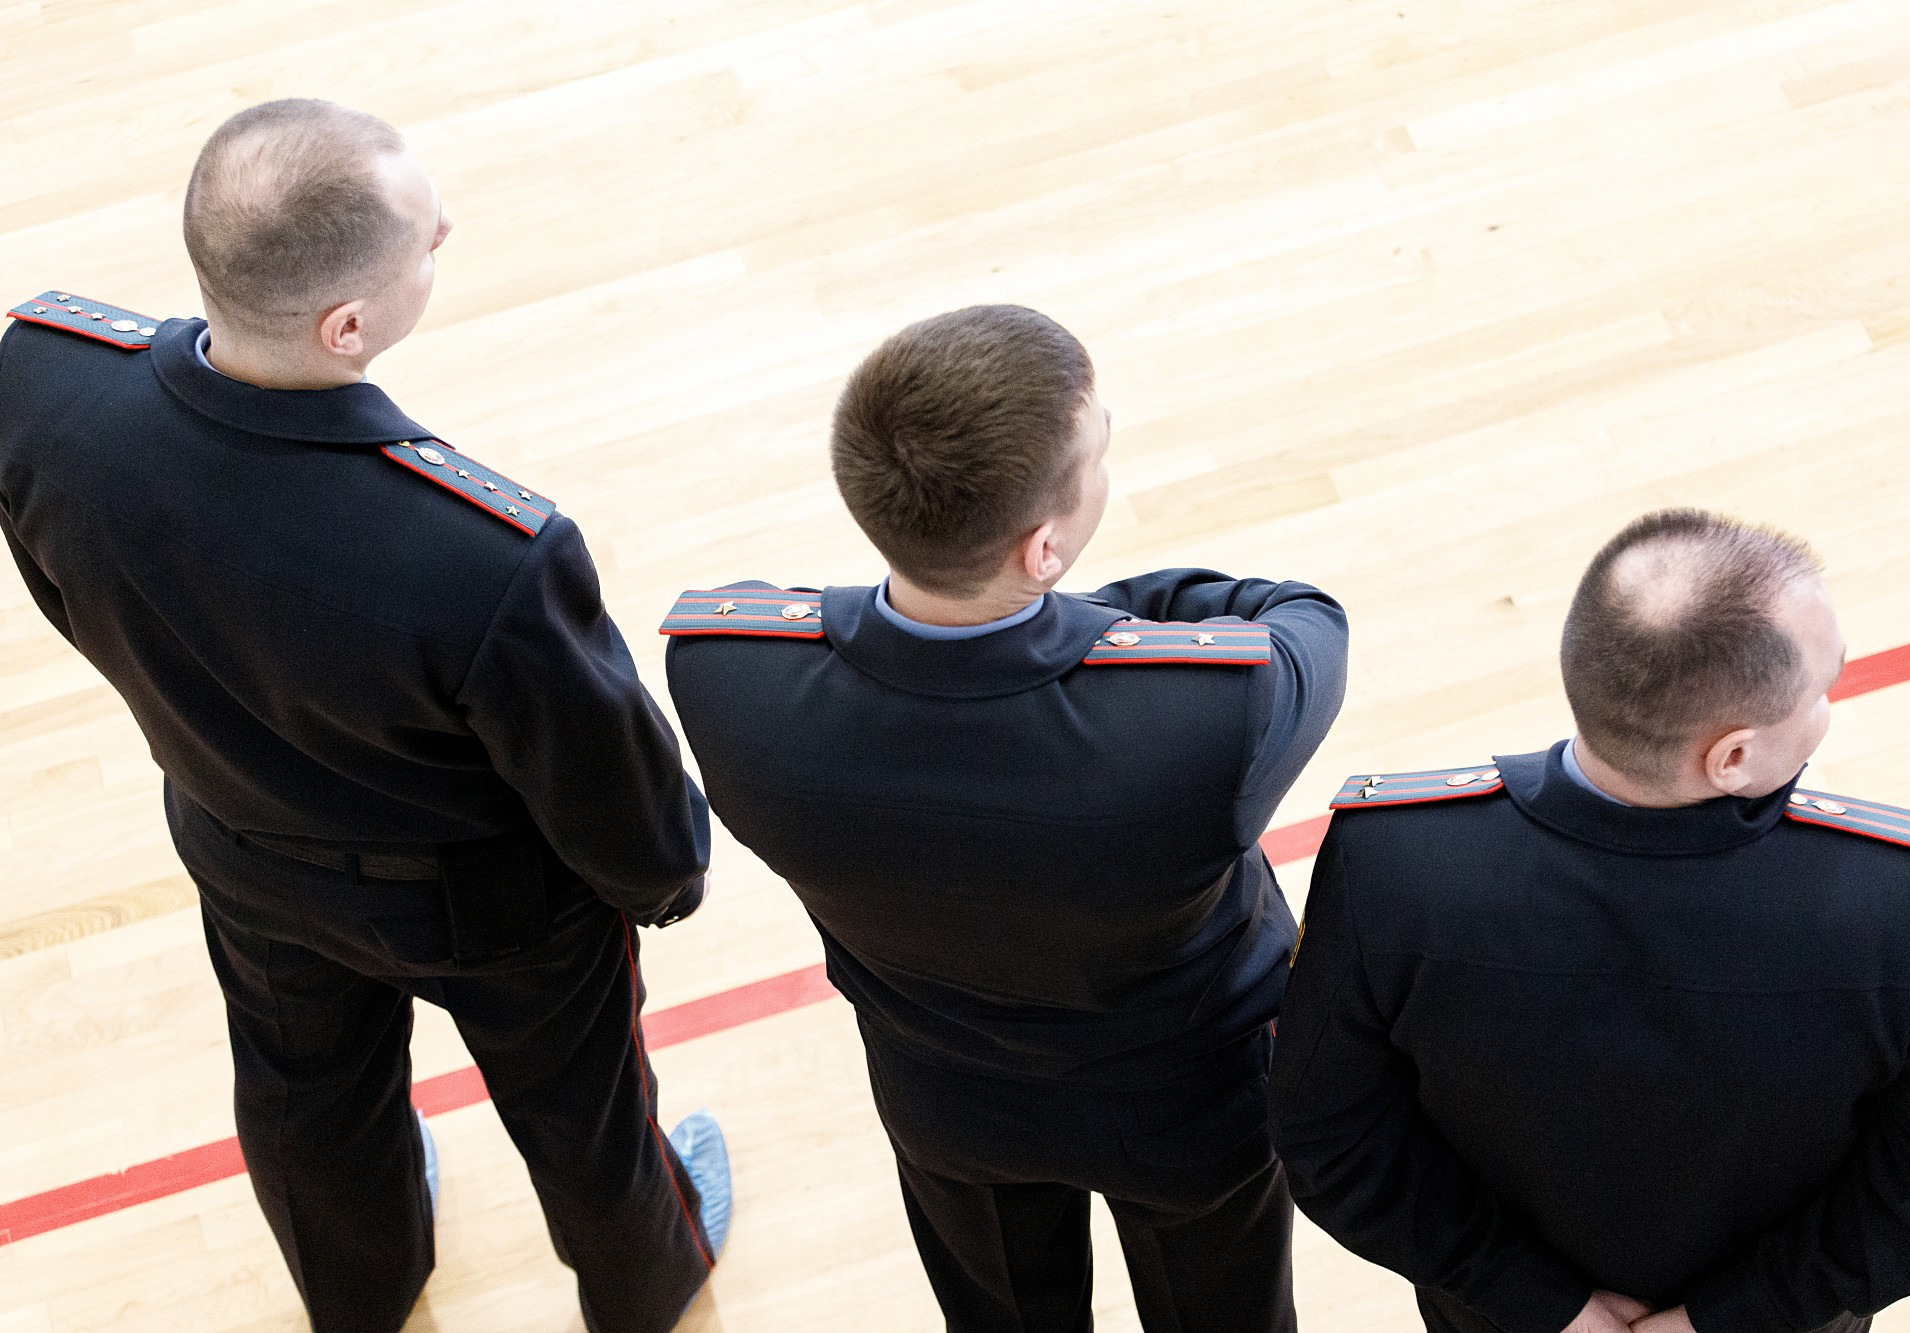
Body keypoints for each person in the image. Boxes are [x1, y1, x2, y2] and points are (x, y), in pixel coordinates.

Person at [0, 100, 728, 1333]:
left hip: (243, 849)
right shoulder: (485, 552)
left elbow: (60, 585)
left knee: (308, 1104)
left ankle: (361, 1289)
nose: (446, 230)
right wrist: (663, 883)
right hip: (494, 912)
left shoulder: (40, 375)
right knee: (587, 1124)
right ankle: (644, 1291)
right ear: (346, 326)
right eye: (426, 238)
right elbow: (608, 786)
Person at [663, 304, 1348, 1332]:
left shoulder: (725, 676)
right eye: (1098, 449)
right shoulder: (1214, 712)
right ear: (1043, 549)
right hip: (1186, 1106)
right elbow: (1297, 615)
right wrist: (1093, 618)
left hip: (944, 1098)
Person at [1271, 508, 1910, 1333]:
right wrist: (1731, 1315)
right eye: (1821, 690)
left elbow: (1329, 1135)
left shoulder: (1393, 860)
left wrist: (1535, 1298)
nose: (1826, 707)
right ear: (1731, 757)